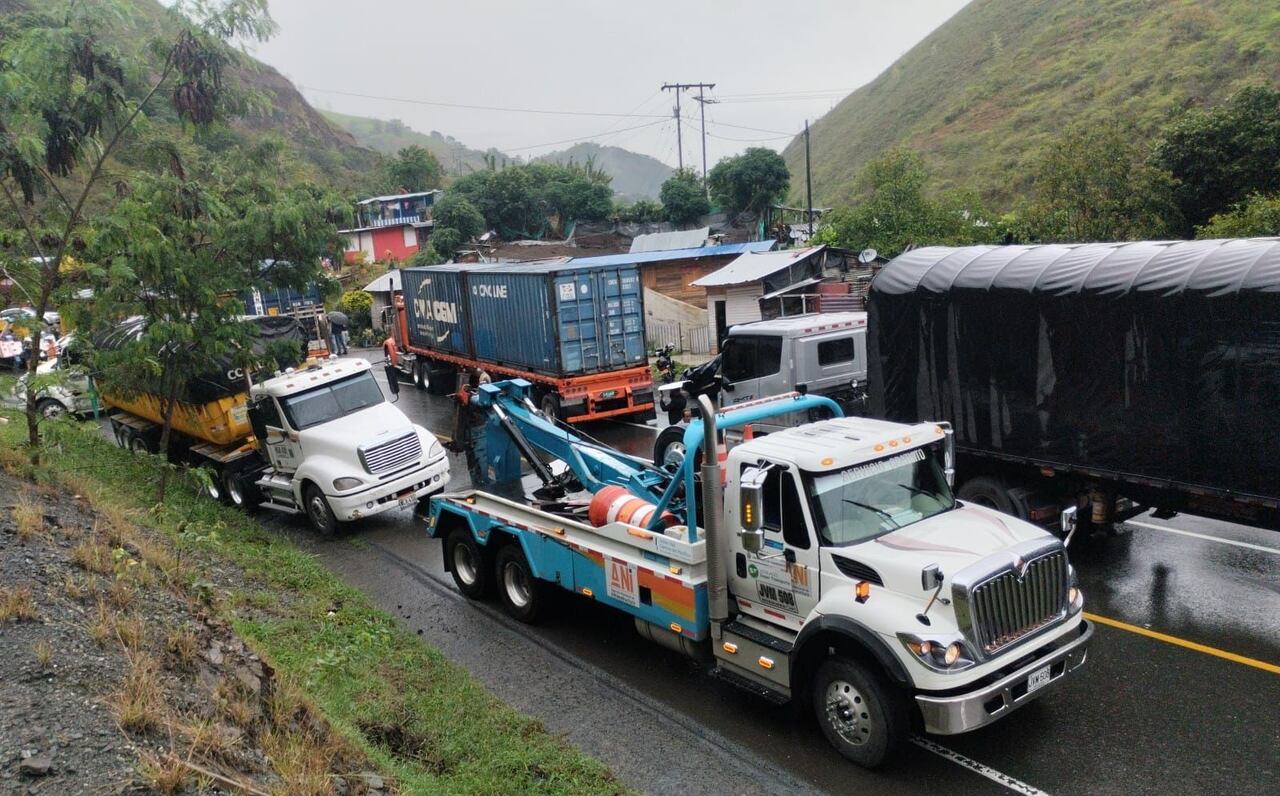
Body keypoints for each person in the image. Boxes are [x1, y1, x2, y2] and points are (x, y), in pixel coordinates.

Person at [450, 367, 491, 486]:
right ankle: (480, 483)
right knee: (479, 461)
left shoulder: (472, 399)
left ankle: (479, 483)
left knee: (476, 461)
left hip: (474, 433)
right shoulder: (474, 400)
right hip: (477, 432)